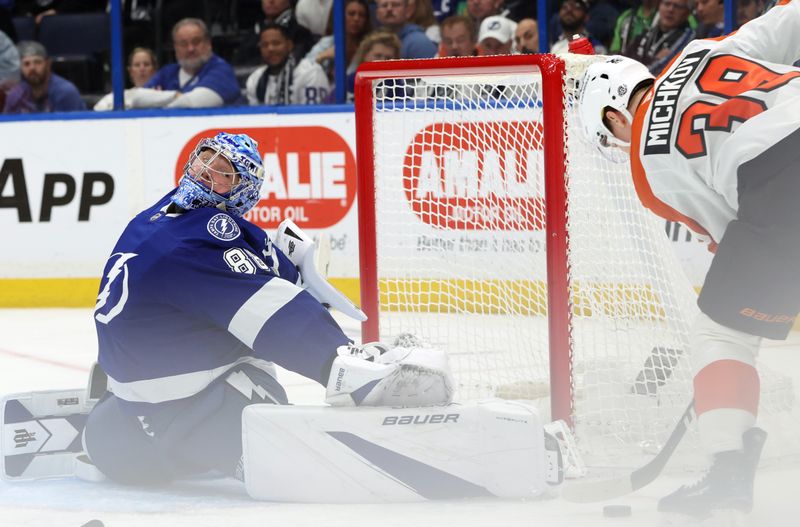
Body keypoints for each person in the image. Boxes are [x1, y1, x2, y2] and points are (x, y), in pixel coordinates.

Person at [84, 131, 453, 485]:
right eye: (205, 159)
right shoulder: (200, 240)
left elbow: (237, 253)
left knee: (210, 312)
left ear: (240, 190)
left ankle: (126, 430)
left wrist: (287, 270)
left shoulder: (162, 212)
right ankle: (355, 374)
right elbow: (271, 312)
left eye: (223, 172)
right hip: (190, 410)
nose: (206, 171)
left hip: (122, 427)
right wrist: (337, 358)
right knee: (267, 386)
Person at [576, 0, 800, 517]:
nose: (617, 144)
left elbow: (732, 232)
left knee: (722, 335)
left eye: (610, 136)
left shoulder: (646, 169)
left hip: (780, 183)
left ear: (615, 114)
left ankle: (726, 470)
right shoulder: (702, 50)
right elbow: (788, 18)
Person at [100, 18, 240, 109]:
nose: (190, 48)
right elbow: (137, 96)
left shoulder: (221, 71)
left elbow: (192, 103)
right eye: (183, 44)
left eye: (196, 42)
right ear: (175, 48)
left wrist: (155, 101)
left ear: (208, 43)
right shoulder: (168, 72)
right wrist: (174, 96)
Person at [245, 22, 331, 105]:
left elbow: (314, 115)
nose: (270, 49)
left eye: (276, 43)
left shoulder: (310, 73)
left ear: (289, 45)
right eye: (265, 45)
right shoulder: (255, 79)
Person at [3, 40, 85, 113]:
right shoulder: (16, 95)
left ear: (48, 64)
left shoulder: (66, 92)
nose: (32, 68)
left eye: (37, 62)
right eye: (26, 64)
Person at [302, 0, 371, 80]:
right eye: (351, 14)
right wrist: (323, 56)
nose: (356, 18)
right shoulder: (328, 42)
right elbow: (303, 69)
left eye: (361, 15)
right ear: (340, 15)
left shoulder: (370, 46)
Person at [625, 0, 695, 74]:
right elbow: (626, 58)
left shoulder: (689, 41)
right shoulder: (646, 34)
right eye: (667, 4)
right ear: (659, 6)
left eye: (678, 7)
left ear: (687, 13)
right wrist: (656, 59)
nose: (670, 10)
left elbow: (659, 70)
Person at [92, 47, 158, 111]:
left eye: (146, 64)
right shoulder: (118, 97)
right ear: (130, 71)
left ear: (154, 70)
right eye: (137, 65)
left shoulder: (162, 96)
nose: (142, 69)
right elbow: (98, 110)